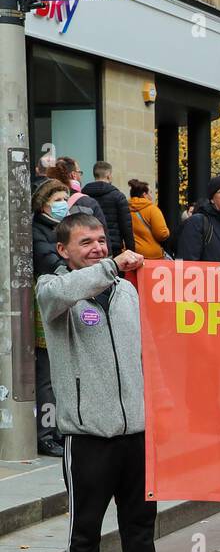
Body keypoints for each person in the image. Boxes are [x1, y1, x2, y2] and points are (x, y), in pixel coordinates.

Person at [37, 215, 199, 552]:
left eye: (102, 240)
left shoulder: (128, 291)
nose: (96, 247)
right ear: (63, 251)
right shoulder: (53, 291)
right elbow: (61, 294)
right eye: (85, 241)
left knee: (140, 522)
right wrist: (110, 267)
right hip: (87, 436)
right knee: (85, 527)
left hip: (137, 433)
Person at [31, 180, 73, 457]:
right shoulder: (38, 231)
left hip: (64, 300)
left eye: (65, 198)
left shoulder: (63, 228)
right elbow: (50, 261)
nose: (63, 204)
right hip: (45, 305)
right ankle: (46, 433)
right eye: (58, 198)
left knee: (59, 372)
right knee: (46, 374)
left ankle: (57, 428)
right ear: (45, 204)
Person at [80, 161, 135, 256]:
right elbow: (126, 226)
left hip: (88, 245)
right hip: (114, 247)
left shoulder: (83, 195)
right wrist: (131, 251)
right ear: (109, 176)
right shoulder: (118, 196)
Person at [47, 158, 107, 233]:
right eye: (80, 172)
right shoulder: (88, 203)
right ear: (73, 175)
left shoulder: (45, 202)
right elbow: (102, 236)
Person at [127, 180, 170, 260]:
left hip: (131, 255)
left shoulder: (125, 209)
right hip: (152, 256)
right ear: (144, 195)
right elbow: (161, 234)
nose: (152, 196)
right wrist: (167, 231)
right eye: (150, 192)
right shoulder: (152, 209)